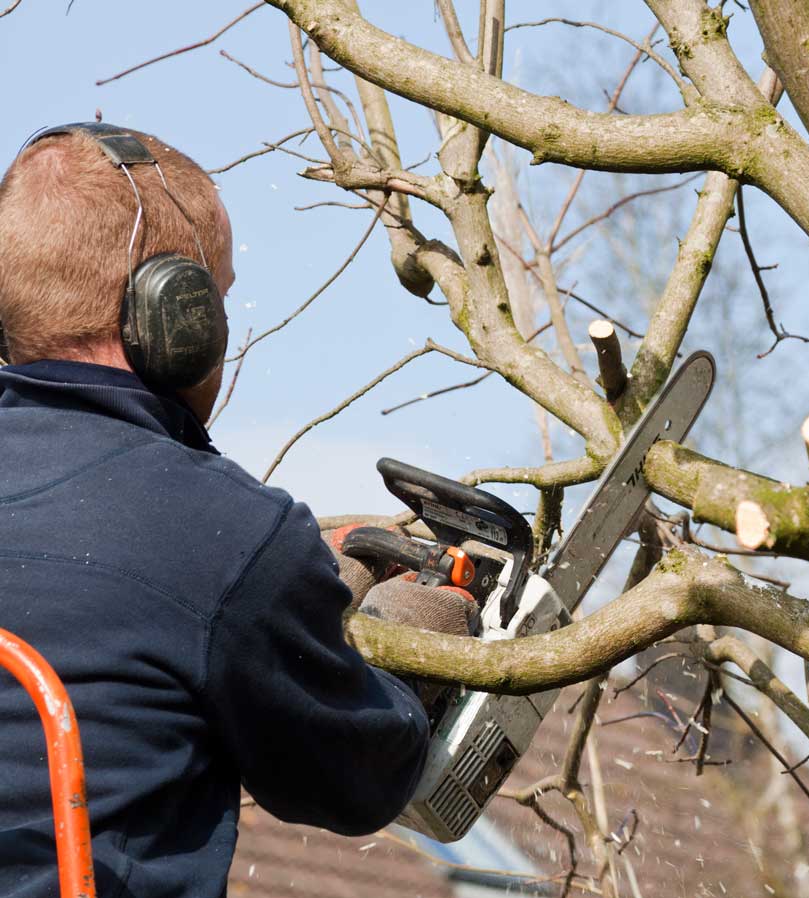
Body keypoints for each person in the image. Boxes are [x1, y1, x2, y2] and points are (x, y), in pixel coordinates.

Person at [0, 123, 468, 898]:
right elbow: (356, 780)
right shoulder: (217, 531)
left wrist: (286, 593)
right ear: (175, 320)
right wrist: (402, 646)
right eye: (214, 299)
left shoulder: (221, 546)